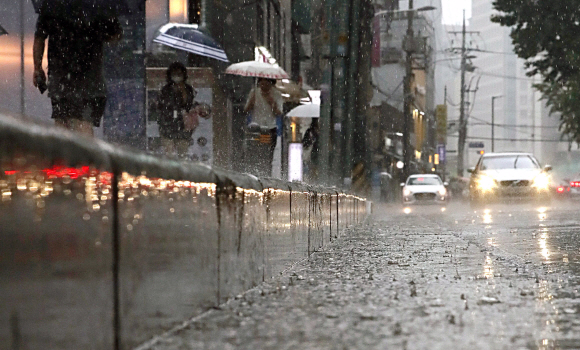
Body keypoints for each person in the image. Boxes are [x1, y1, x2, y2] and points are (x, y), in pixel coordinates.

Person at [33, 7, 122, 136]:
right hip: (90, 76)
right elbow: (115, 35)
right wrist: (94, 31)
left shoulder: (53, 5)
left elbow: (39, 37)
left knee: (63, 124)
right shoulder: (98, 5)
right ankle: (86, 155)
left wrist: (38, 68)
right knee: (83, 123)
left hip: (61, 76)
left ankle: (64, 155)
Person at [156, 62, 198, 158]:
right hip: (168, 127)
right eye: (174, 74)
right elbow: (164, 107)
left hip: (183, 128)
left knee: (182, 154)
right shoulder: (166, 90)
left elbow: (190, 104)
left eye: (179, 74)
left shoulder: (188, 89)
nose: (177, 76)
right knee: (169, 156)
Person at [244, 78, 284, 176]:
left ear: (271, 83)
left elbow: (279, 113)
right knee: (254, 152)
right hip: (256, 128)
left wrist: (272, 103)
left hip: (270, 128)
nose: (263, 84)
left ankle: (266, 174)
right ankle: (253, 173)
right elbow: (246, 109)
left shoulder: (276, 94)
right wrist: (251, 102)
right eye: (261, 82)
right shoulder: (254, 92)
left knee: (268, 155)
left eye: (266, 82)